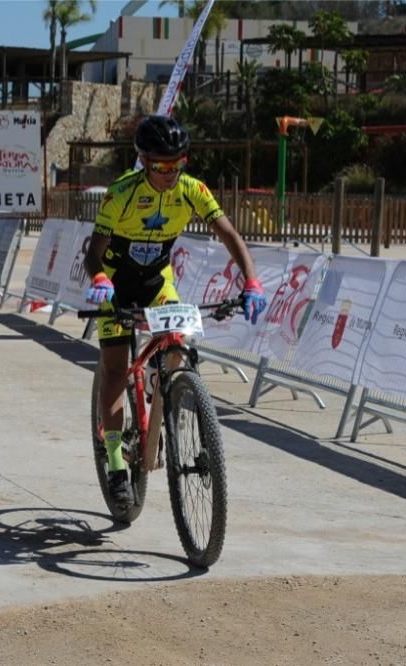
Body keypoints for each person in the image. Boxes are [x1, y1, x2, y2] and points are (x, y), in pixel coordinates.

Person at [83, 115, 267, 503]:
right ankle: (116, 460)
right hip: (116, 282)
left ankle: (165, 384)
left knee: (178, 346)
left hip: (155, 281)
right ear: (144, 162)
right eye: (161, 166)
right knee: (115, 368)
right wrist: (99, 278)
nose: (170, 173)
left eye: (177, 163)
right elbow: (93, 253)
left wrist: (251, 280)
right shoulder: (122, 192)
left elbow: (229, 234)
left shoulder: (192, 190)